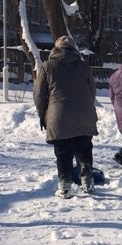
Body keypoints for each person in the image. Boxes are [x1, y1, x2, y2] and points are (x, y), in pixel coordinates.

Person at [35, 35, 99, 197]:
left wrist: (43, 115)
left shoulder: (48, 66)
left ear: (56, 49)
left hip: (60, 115)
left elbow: (39, 95)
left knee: (63, 151)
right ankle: (88, 182)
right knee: (84, 148)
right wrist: (84, 105)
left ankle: (64, 186)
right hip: (84, 114)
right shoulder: (84, 67)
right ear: (75, 49)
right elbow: (92, 91)